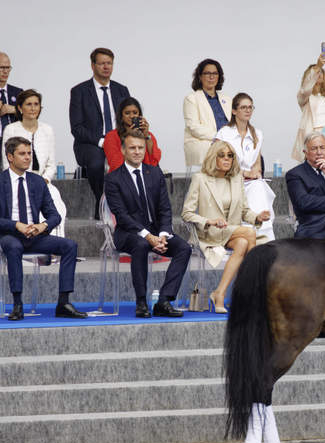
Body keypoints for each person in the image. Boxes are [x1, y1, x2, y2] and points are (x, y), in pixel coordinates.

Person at [0, 137, 87, 321]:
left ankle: (63, 302)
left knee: (69, 245)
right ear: (10, 157)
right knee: (14, 248)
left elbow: (55, 215)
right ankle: (17, 303)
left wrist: (42, 226)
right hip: (8, 235)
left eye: (29, 153)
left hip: (34, 235)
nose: (27, 158)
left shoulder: (37, 182)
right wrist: (16, 225)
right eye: (22, 154)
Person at [104, 130, 190, 318]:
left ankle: (164, 300)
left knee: (183, 247)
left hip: (157, 232)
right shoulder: (113, 179)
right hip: (128, 233)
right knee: (141, 244)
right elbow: (122, 215)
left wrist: (163, 234)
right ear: (123, 150)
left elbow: (165, 209)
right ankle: (141, 302)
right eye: (132, 148)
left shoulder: (155, 173)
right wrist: (148, 236)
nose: (137, 151)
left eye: (140, 148)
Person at [181, 141, 270, 314]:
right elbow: (187, 213)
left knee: (244, 243)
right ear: (213, 157)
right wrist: (210, 221)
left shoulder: (236, 179)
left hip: (231, 232)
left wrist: (257, 217)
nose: (226, 159)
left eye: (230, 155)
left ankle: (219, 293)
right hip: (210, 233)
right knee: (250, 232)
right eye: (221, 155)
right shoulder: (200, 179)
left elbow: (244, 210)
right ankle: (250, 291)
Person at [69, 47, 130, 219]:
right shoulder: (79, 91)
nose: (106, 67)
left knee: (137, 158)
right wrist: (103, 141)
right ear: (92, 65)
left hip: (119, 141)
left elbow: (130, 117)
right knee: (96, 164)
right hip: (91, 144)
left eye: (109, 63)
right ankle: (101, 202)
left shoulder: (121, 90)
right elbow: (77, 127)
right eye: (102, 63)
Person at [1, 89, 66, 238]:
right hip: (18, 180)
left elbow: (51, 164)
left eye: (36, 104)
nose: (33, 108)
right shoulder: (11, 129)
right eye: (29, 104)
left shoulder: (47, 130)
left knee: (56, 199)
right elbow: (6, 163)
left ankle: (55, 243)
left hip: (43, 181)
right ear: (19, 108)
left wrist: (44, 180)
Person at [214, 92, 275, 243]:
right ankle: (251, 233)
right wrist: (245, 173)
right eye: (243, 107)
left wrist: (255, 173)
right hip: (228, 181)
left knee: (259, 186)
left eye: (250, 107)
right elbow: (219, 165)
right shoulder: (224, 134)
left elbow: (257, 165)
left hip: (249, 182)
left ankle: (262, 235)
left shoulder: (258, 134)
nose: (248, 110)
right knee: (256, 189)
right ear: (234, 111)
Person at [291, 53, 325, 162]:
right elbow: (305, 89)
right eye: (315, 73)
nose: (319, 74)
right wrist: (318, 66)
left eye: (321, 71)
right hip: (312, 135)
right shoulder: (304, 96)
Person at [286, 132, 325, 239]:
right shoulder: (295, 174)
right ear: (305, 152)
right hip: (314, 228)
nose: (319, 152)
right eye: (314, 148)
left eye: (322, 147)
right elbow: (303, 202)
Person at [183, 58, 231, 168]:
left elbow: (234, 122)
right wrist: (218, 136)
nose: (211, 76)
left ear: (219, 77)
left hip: (227, 141)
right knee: (220, 152)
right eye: (207, 73)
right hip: (204, 141)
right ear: (200, 77)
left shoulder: (227, 99)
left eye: (215, 73)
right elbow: (193, 127)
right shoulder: (191, 99)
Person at [104, 97, 161, 172]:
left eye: (135, 113)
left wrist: (146, 136)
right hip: (121, 176)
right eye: (127, 113)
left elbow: (154, 160)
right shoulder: (111, 136)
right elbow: (115, 164)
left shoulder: (148, 134)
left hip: (145, 175)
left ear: (139, 115)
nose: (132, 116)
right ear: (121, 116)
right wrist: (129, 136)